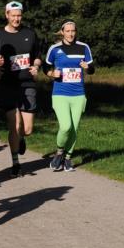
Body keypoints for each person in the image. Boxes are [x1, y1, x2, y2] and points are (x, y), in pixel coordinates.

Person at [0, 1, 42, 177]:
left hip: (27, 84)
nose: (16, 18)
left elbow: (37, 56)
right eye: (13, 15)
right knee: (14, 126)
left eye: (19, 15)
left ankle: (21, 139)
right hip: (7, 84)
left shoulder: (29, 33)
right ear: (6, 15)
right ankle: (15, 163)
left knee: (27, 129)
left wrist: (36, 66)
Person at [44, 21, 94, 172]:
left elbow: (92, 70)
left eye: (73, 31)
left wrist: (88, 67)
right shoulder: (55, 49)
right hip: (60, 93)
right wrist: (52, 74)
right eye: (67, 31)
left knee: (74, 128)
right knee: (65, 126)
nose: (71, 34)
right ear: (62, 32)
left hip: (78, 94)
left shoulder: (83, 47)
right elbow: (45, 67)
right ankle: (59, 152)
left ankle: (68, 158)